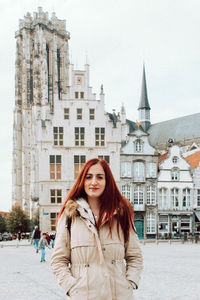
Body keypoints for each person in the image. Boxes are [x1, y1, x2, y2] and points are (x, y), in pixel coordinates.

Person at [51, 158, 143, 299]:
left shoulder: (121, 214)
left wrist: (130, 282)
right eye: (89, 177)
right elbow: (58, 260)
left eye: (100, 177)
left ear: (107, 181)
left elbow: (135, 256)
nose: (94, 182)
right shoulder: (70, 216)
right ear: (83, 181)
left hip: (119, 295)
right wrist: (72, 288)